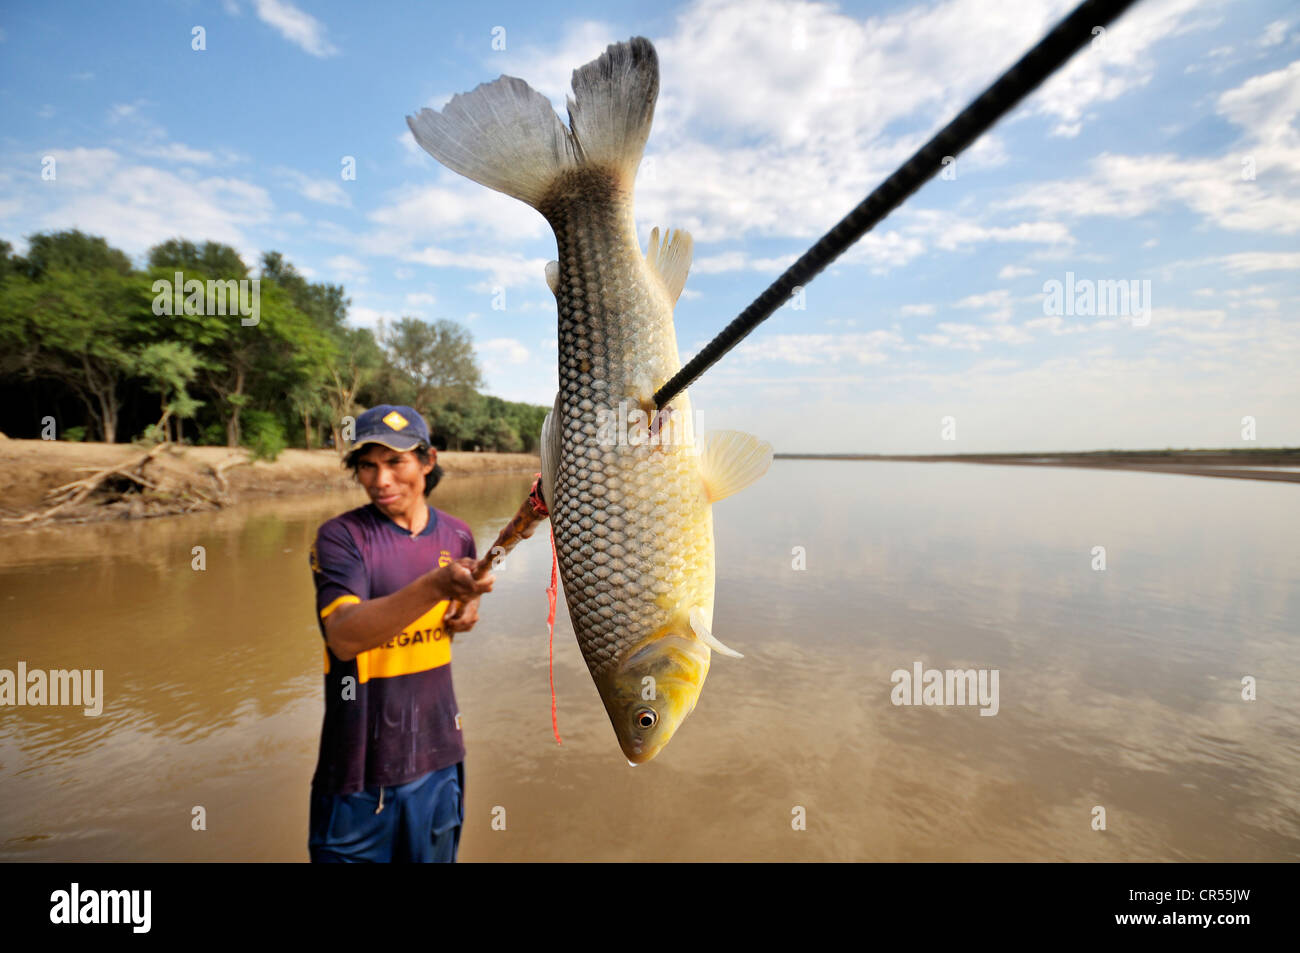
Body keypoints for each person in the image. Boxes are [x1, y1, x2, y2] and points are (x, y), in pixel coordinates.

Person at [307, 404, 494, 862]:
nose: (381, 480)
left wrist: (468, 604)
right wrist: (435, 585)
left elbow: (457, 607)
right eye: (367, 465)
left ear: (428, 462)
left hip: (437, 761)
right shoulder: (342, 538)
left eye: (395, 462)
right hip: (357, 776)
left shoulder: (457, 535)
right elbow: (344, 636)